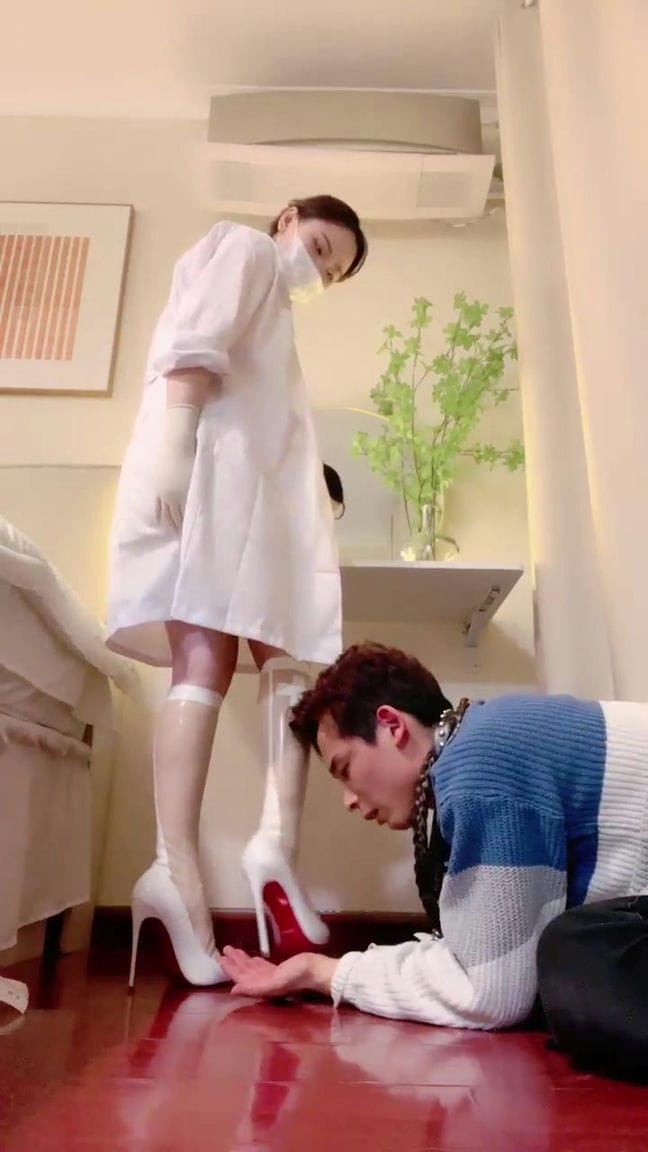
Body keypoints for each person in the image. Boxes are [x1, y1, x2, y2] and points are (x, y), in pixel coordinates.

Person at [106, 195, 368, 989]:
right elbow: (198, 337)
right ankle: (181, 867)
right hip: (208, 481)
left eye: (332, 272)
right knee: (208, 660)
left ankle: (270, 843)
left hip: (248, 499)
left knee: (282, 653)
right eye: (319, 247)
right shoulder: (247, 251)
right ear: (286, 218)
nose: (317, 271)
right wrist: (177, 438)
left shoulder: (278, 311)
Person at [220, 642, 648, 1083]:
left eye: (344, 768)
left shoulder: (483, 763)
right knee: (570, 958)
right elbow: (478, 958)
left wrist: (325, 973)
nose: (348, 800)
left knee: (573, 957)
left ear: (392, 726)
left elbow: (493, 994)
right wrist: (324, 970)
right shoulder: (482, 741)